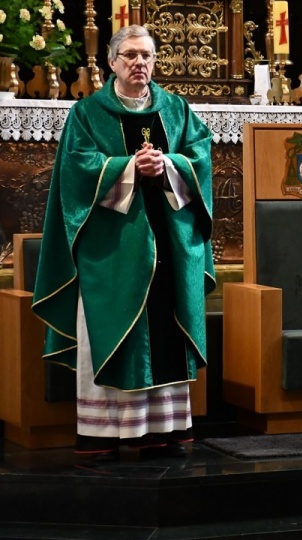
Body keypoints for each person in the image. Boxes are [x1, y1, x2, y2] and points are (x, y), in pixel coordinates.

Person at [31, 25, 215, 460]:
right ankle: (108, 431)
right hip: (111, 250)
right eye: (130, 55)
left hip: (169, 244)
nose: (140, 63)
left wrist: (167, 163)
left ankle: (166, 429)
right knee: (116, 329)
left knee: (166, 330)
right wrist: (129, 167)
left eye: (147, 56)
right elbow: (76, 170)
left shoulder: (176, 109)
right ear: (111, 62)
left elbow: (201, 155)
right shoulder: (88, 112)